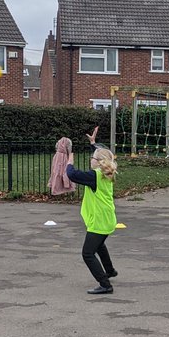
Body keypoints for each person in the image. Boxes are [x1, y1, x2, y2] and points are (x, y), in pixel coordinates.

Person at [66, 126, 119, 295]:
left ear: (98, 162)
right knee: (99, 245)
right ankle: (109, 271)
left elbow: (72, 174)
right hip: (107, 219)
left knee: (87, 253)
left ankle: (105, 284)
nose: (91, 159)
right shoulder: (106, 173)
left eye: (93, 157)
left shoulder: (95, 176)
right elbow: (103, 154)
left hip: (99, 220)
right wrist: (93, 143)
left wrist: (69, 160)